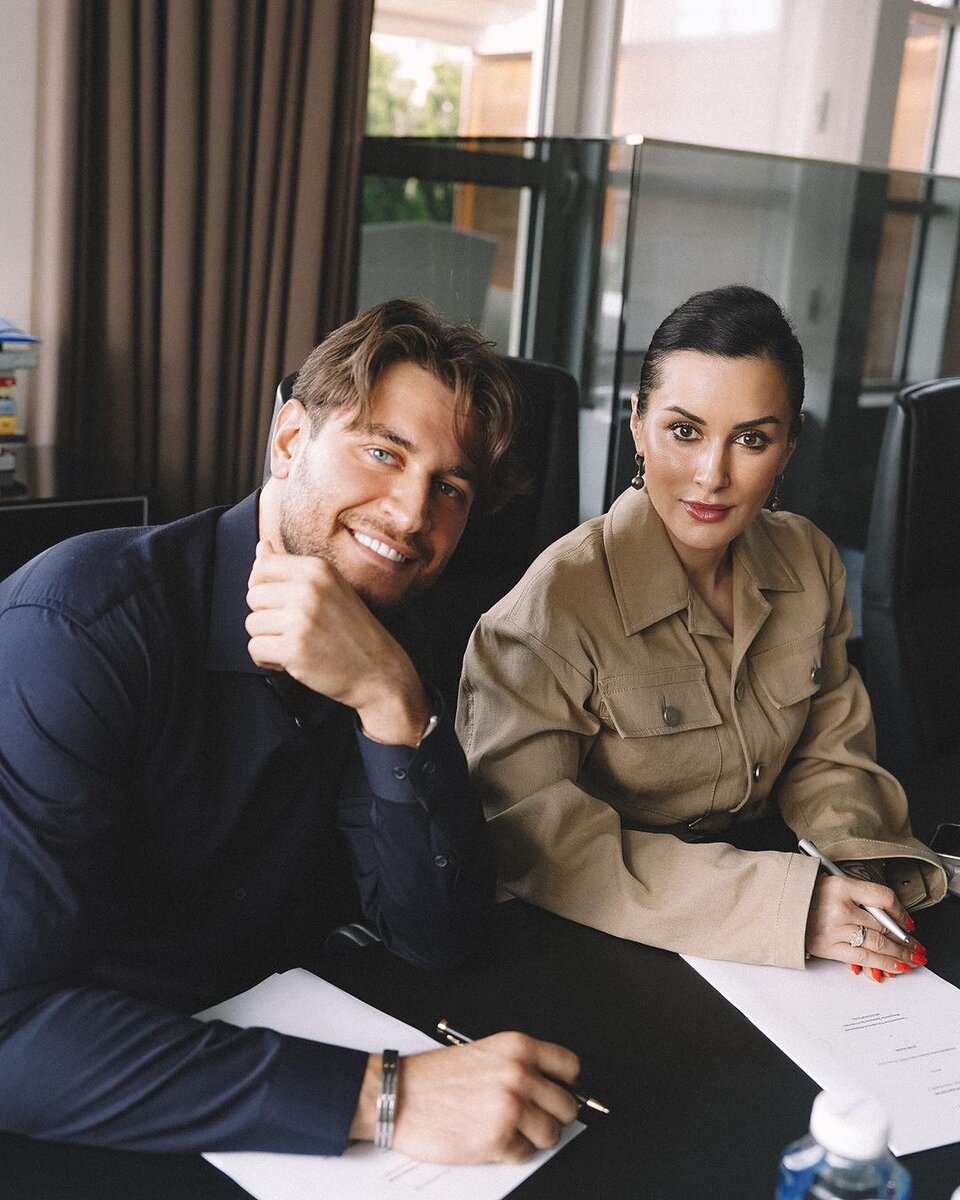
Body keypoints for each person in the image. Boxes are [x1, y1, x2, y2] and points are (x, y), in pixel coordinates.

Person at [0, 300, 580, 1162]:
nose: (411, 515)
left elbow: (434, 938)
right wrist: (385, 1098)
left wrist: (393, 702)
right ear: (288, 441)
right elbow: (11, 1031)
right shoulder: (80, 626)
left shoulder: (397, 630)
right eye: (383, 452)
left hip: (292, 1027)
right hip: (102, 1090)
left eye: (450, 489)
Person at [458, 284, 946, 981]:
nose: (711, 476)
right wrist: (787, 908)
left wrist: (856, 870)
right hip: (605, 937)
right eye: (684, 432)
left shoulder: (809, 560)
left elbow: (828, 751)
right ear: (637, 426)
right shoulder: (550, 612)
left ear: (788, 447)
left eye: (751, 439)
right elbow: (535, 840)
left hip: (781, 920)